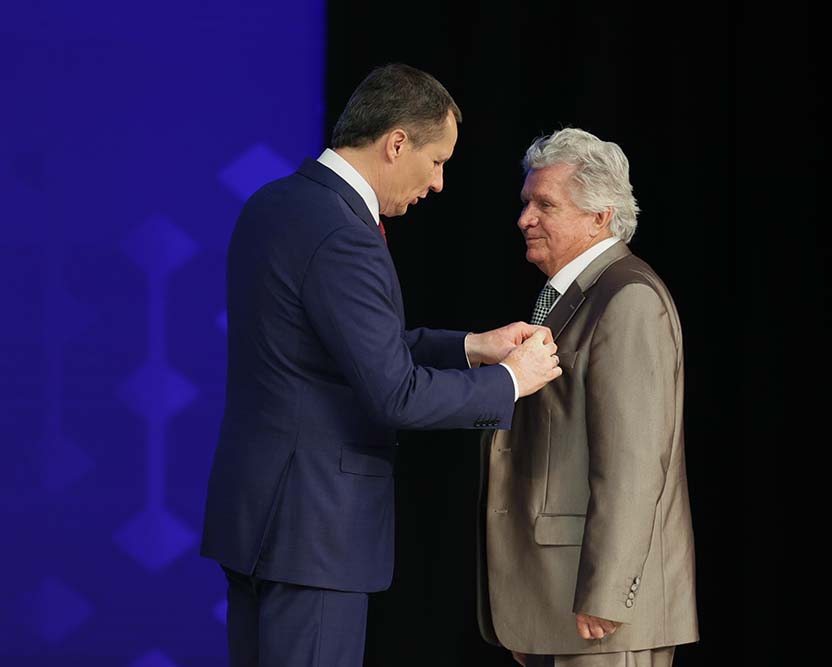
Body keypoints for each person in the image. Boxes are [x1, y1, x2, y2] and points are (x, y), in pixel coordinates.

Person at [200, 63, 561, 667]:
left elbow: (335, 350)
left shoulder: (273, 203)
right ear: (396, 143)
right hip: (315, 536)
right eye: (437, 160)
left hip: (256, 522)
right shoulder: (345, 232)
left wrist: (472, 346)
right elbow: (395, 394)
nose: (439, 183)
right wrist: (510, 381)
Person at [477, 128, 698, 667]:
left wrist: (607, 590)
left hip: (601, 618)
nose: (524, 218)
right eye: (526, 202)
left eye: (544, 204)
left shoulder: (628, 299)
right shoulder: (574, 296)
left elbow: (635, 462)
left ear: (600, 217)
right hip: (553, 601)